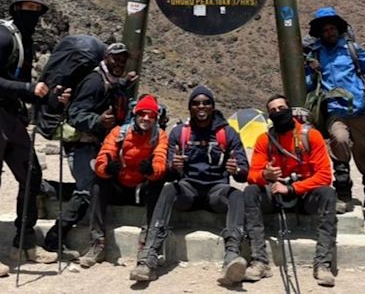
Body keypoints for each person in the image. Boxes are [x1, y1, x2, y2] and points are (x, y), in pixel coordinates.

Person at [0, 0, 59, 277]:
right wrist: (27, 89)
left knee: (31, 175)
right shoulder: (2, 35)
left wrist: (48, 96)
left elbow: (20, 87)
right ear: (16, 9)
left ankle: (24, 242)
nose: (33, 13)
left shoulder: (24, 40)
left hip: (11, 116)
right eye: (28, 8)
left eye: (37, 9)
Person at [130, 85, 249, 285]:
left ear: (213, 106)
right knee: (168, 189)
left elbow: (244, 173)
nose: (201, 107)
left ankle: (232, 255)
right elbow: (167, 173)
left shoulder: (227, 133)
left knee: (236, 195)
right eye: (195, 103)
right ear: (189, 108)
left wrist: (236, 170)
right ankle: (149, 257)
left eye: (205, 103)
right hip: (188, 189)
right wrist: (174, 167)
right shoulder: (179, 133)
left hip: (215, 191)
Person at [43, 42, 137, 254]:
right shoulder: (94, 81)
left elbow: (112, 90)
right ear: (106, 58)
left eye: (123, 59)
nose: (120, 62)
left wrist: (125, 83)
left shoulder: (109, 81)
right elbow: (75, 113)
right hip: (81, 145)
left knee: (96, 186)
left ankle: (46, 188)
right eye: (116, 58)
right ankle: (53, 239)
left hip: (92, 145)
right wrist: (98, 120)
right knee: (86, 191)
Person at [305, 6, 365, 224]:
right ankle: (343, 195)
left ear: (338, 29)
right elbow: (307, 85)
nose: (329, 33)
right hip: (334, 110)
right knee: (339, 141)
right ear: (319, 32)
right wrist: (311, 71)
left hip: (358, 110)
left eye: (332, 28)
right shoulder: (315, 55)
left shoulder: (352, 50)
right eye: (325, 30)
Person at [244, 95, 338, 286]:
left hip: (305, 195)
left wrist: (292, 188)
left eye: (281, 108)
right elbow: (252, 174)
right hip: (276, 195)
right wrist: (266, 175)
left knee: (328, 193)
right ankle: (259, 261)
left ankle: (323, 263)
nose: (278, 112)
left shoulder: (311, 136)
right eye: (273, 110)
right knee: (250, 192)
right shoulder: (265, 139)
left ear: (290, 110)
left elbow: (324, 176)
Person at [78, 94, 168, 268]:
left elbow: (161, 161)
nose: (146, 118)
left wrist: (152, 171)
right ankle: (98, 243)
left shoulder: (160, 136)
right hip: (119, 185)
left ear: (156, 118)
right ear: (136, 114)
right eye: (143, 114)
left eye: (151, 115)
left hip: (141, 188)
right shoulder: (118, 132)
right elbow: (103, 157)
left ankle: (146, 244)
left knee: (158, 184)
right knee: (98, 184)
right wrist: (106, 169)